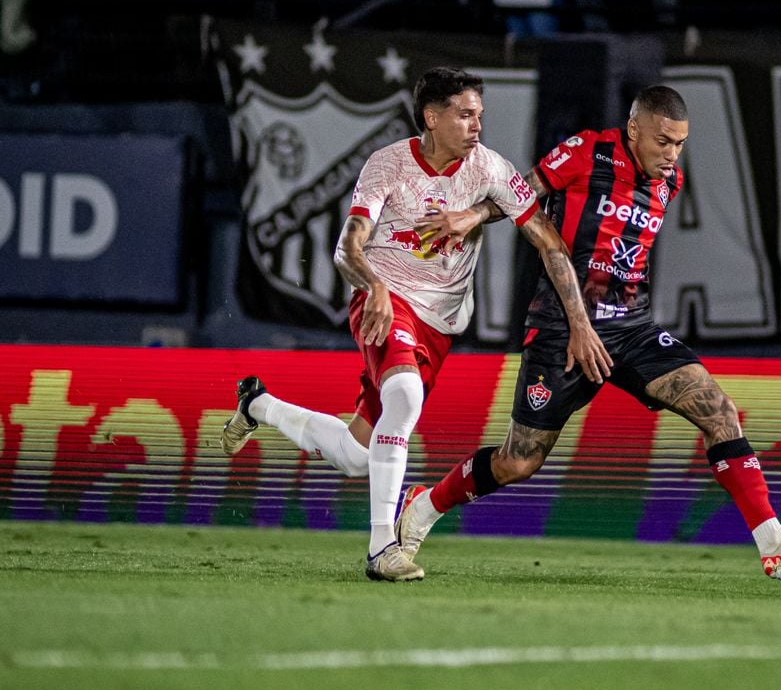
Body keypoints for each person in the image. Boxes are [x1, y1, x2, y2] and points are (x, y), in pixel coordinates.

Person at [219, 66, 611, 583]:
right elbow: (347, 248)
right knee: (404, 398)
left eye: (480, 115)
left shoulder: (490, 169)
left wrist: (580, 321)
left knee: (358, 456)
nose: (476, 125)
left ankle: (258, 404)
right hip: (385, 302)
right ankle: (383, 549)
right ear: (432, 116)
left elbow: (548, 241)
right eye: (465, 114)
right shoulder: (388, 166)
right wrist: (376, 288)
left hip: (439, 324)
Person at [398, 85, 781, 582]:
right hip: (561, 331)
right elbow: (520, 193)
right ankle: (425, 506)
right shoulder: (588, 151)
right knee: (518, 463)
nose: (672, 155)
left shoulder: (666, 181)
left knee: (719, 412)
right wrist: (472, 215)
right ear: (634, 129)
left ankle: (774, 542)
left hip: (632, 330)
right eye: (663, 142)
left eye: (680, 143)